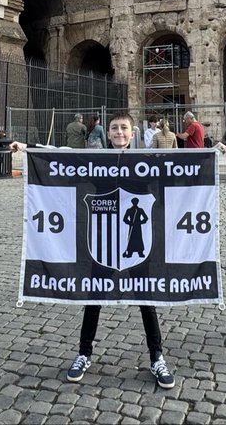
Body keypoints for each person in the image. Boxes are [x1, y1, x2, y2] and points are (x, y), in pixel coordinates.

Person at [66, 113, 175, 389]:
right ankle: (83, 352)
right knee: (94, 296)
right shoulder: (98, 160)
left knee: (145, 297)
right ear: (108, 132)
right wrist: (25, 149)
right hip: (104, 240)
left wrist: (212, 153)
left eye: (123, 128)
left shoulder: (143, 160)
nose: (118, 132)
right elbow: (64, 160)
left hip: (138, 242)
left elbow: (176, 167)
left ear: (131, 131)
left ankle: (157, 356)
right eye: (114, 128)